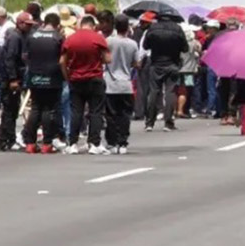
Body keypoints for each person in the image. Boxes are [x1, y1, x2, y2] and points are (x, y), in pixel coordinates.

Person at [62, 15, 111, 154]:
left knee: (76, 112)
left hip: (76, 79)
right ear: (93, 26)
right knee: (96, 112)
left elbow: (62, 61)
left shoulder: (70, 39)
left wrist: (67, 76)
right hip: (94, 78)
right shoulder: (98, 38)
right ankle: (94, 143)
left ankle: (72, 143)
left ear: (80, 25)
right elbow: (108, 58)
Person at [23, 13, 65, 153]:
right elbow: (63, 58)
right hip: (52, 76)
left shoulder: (32, 36)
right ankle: (47, 143)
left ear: (44, 23)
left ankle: (30, 143)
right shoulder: (58, 37)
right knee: (48, 109)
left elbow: (25, 56)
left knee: (35, 108)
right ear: (57, 25)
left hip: (34, 75)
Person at [141, 11, 187, 132]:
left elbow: (146, 46)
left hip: (156, 64)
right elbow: (185, 48)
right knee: (170, 92)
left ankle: (149, 123)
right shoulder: (177, 29)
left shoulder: (152, 28)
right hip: (172, 63)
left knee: (153, 92)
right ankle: (168, 122)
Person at [0, 12, 32, 152]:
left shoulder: (20, 36)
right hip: (10, 79)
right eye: (27, 25)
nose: (28, 28)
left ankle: (5, 140)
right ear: (20, 23)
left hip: (15, 77)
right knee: (10, 110)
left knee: (12, 110)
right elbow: (10, 59)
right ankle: (7, 140)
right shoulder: (15, 38)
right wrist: (13, 79)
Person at [105, 14, 143, 154]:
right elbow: (137, 63)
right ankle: (123, 142)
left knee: (111, 115)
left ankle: (112, 142)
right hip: (126, 84)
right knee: (125, 115)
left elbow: (103, 59)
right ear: (127, 27)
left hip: (110, 84)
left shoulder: (108, 41)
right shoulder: (132, 44)